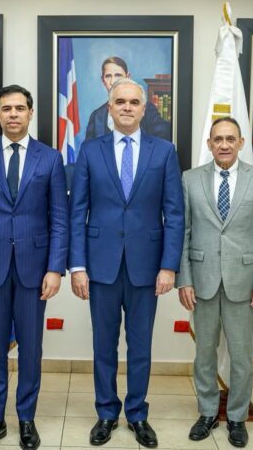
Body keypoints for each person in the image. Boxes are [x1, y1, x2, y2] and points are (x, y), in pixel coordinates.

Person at [69, 78, 184, 448]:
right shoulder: (90, 150)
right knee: (103, 346)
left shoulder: (164, 151)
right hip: (100, 265)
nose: (127, 108)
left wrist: (168, 266)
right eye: (120, 102)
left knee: (140, 347)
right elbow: (77, 212)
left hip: (146, 267)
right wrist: (77, 265)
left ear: (144, 108)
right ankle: (106, 412)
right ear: (110, 107)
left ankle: (137, 414)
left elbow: (174, 213)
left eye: (134, 102)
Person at [0, 85, 69, 450]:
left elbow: (59, 219)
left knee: (31, 350)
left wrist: (55, 269)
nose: (13, 114)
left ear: (30, 113)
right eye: (6, 108)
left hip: (34, 270)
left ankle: (26, 419)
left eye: (20, 108)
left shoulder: (49, 158)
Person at [177, 117, 253, 448]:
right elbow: (184, 233)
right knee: (204, 353)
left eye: (230, 139)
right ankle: (207, 412)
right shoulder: (190, 179)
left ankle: (237, 417)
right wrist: (184, 280)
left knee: (240, 356)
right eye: (218, 139)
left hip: (245, 283)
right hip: (202, 281)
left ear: (241, 142)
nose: (224, 144)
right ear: (209, 144)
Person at [85, 56, 171, 142]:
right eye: (108, 76)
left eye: (118, 75)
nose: (112, 81)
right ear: (103, 80)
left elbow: (161, 143)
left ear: (128, 76)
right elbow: (89, 148)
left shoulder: (148, 109)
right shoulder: (96, 116)